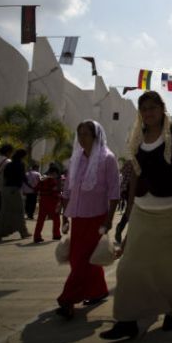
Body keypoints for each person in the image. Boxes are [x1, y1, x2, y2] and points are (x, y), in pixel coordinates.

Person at [100, 91, 172, 340]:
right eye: (144, 108)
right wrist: (130, 207)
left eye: (153, 108)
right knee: (130, 266)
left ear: (162, 109)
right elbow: (135, 173)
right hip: (144, 209)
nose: (149, 112)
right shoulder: (138, 137)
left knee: (171, 269)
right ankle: (127, 320)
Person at [57, 120, 120, 320]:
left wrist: (109, 219)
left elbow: (114, 192)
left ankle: (68, 299)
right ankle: (98, 290)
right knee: (78, 259)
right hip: (77, 216)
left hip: (96, 218)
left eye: (86, 134)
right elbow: (68, 190)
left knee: (83, 261)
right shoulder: (76, 159)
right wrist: (64, 217)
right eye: (80, 134)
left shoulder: (107, 159)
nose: (82, 138)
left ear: (95, 136)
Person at [0, 149, 31, 242]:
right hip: (14, 190)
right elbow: (23, 178)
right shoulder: (20, 165)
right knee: (19, 211)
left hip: (5, 190)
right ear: (22, 156)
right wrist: (32, 186)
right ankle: (23, 232)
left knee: (4, 211)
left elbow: (5, 177)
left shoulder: (8, 165)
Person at [33, 165, 62, 243]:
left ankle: (37, 236)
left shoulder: (42, 179)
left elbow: (35, 188)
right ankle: (56, 235)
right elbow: (55, 191)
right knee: (56, 219)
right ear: (54, 173)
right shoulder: (52, 180)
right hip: (52, 201)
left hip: (43, 201)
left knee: (40, 219)